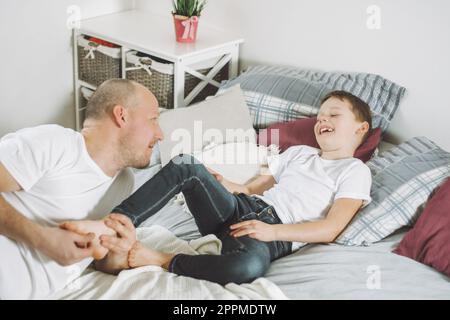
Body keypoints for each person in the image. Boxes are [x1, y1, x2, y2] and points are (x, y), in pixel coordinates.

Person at [63, 90, 373, 285]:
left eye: (333, 115)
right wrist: (224, 185)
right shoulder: (298, 153)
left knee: (247, 267)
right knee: (186, 163)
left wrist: (271, 233)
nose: (322, 120)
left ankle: (158, 259)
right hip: (243, 209)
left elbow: (331, 228)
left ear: (361, 128)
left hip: (271, 236)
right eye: (319, 116)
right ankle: (116, 224)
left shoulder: (355, 170)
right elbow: (255, 187)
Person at [0, 79, 164, 299]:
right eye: (153, 120)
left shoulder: (125, 182)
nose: (160, 134)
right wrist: (44, 239)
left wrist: (119, 250)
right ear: (121, 115)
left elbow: (101, 262)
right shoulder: (54, 144)